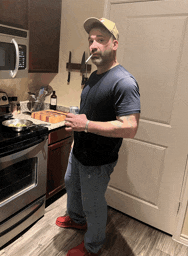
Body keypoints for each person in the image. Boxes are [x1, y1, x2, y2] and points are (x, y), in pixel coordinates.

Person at [56, 17, 141, 256]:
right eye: (91, 40)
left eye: (100, 40)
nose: (93, 45)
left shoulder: (124, 82)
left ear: (114, 44)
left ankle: (92, 246)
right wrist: (76, 140)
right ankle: (77, 219)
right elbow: (87, 114)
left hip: (99, 159)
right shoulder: (95, 76)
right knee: (71, 185)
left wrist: (87, 125)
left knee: (93, 203)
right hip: (80, 151)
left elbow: (130, 127)